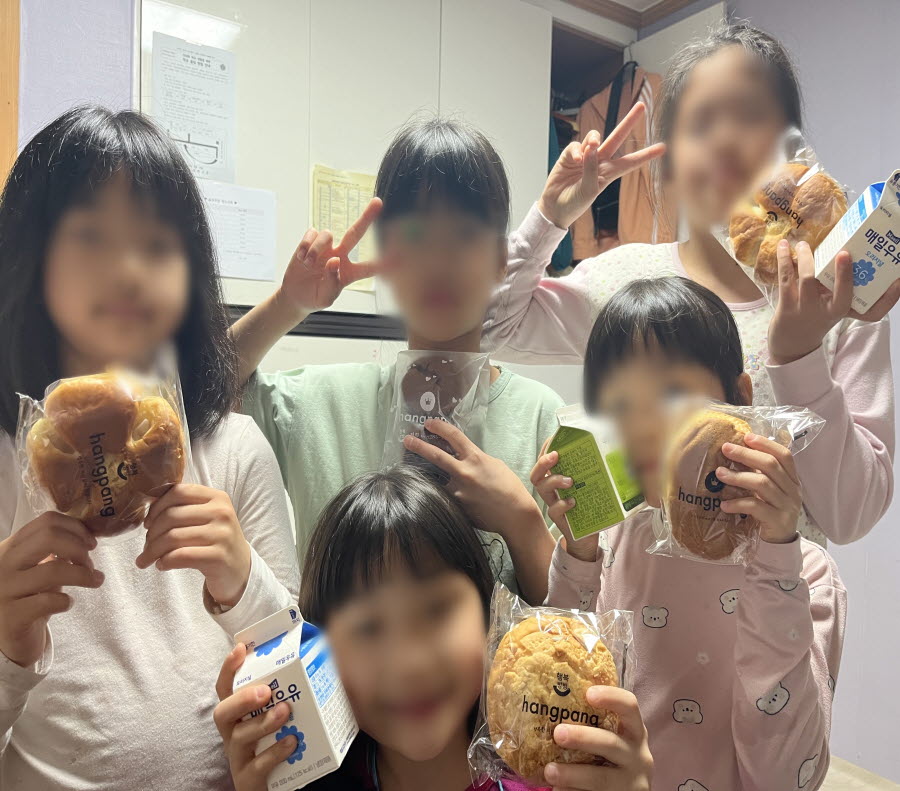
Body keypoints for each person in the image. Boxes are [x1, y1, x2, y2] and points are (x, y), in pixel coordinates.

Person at [486, 21, 896, 545]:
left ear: (792, 149)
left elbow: (852, 515)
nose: (726, 141)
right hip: (634, 592)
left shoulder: (836, 302)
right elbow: (489, 327)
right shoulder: (625, 280)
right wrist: (551, 216)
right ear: (669, 164)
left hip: (783, 597)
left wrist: (800, 358)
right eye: (701, 124)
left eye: (752, 117)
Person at [231, 114, 654, 601]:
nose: (438, 261)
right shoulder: (320, 404)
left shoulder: (545, 421)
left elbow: (571, 620)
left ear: (501, 260)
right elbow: (194, 395)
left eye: (465, 236)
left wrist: (519, 519)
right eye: (414, 236)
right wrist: (289, 304)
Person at [0, 107, 299, 790]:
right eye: (91, 236)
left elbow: (301, 709)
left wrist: (242, 582)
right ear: (30, 255)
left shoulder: (234, 451)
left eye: (157, 243)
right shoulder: (9, 468)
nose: (129, 269)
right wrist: (7, 648)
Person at [525, 275, 844, 791]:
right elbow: (558, 713)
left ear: (739, 399)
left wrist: (776, 559)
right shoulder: (607, 546)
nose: (647, 429)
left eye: (673, 395)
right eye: (620, 407)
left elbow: (787, 776)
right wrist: (579, 550)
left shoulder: (804, 572)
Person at [213, 465, 654, 791]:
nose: (410, 663)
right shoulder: (312, 785)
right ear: (320, 655)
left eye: (436, 611)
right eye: (368, 628)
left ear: (490, 617)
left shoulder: (554, 781)